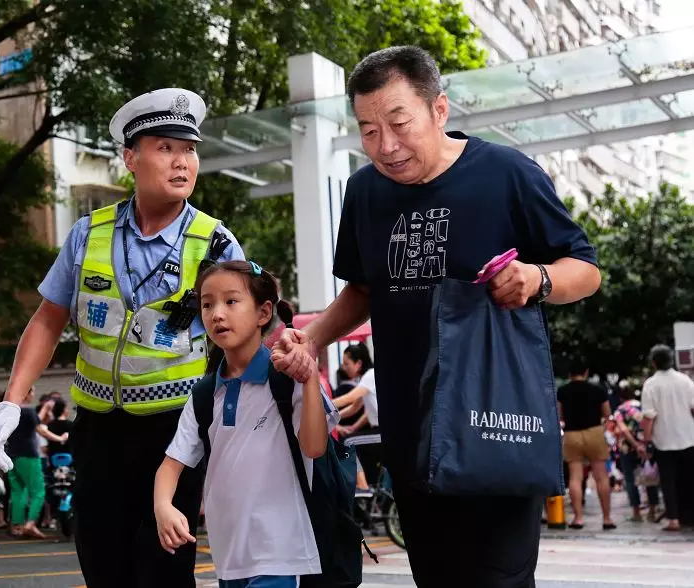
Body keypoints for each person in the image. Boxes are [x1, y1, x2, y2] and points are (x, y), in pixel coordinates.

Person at [272, 46, 600, 587]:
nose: (386, 145)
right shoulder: (365, 192)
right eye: (369, 130)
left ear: (439, 110)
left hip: (496, 421)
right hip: (411, 432)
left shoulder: (507, 174)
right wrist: (311, 338)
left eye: (399, 123)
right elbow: (364, 289)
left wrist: (538, 279)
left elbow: (585, 269)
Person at [0, 88, 244, 587]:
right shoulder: (88, 234)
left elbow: (245, 338)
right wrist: (12, 402)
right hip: (98, 433)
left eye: (189, 149)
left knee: (163, 574)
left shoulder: (215, 243)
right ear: (130, 157)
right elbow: (48, 319)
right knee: (103, 568)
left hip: (176, 435)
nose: (182, 161)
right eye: (165, 147)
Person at [155, 260, 338, 586]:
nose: (217, 314)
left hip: (281, 555)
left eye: (231, 301)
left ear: (263, 313)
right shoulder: (204, 394)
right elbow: (171, 464)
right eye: (207, 304)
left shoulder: (286, 379)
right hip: (229, 559)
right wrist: (162, 506)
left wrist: (309, 377)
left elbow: (314, 446)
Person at [641, 344, 694, 532]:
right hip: (688, 438)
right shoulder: (685, 380)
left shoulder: (651, 384)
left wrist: (646, 441)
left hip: (663, 441)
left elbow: (649, 417)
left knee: (668, 481)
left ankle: (673, 519)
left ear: (654, 362)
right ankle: (689, 516)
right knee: (689, 478)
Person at [557, 359, 615, 530]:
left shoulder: (562, 391)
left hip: (572, 434)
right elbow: (607, 414)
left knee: (575, 477)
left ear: (570, 374)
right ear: (586, 372)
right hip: (594, 432)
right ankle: (607, 519)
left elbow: (559, 415)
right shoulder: (598, 390)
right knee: (601, 477)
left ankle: (578, 518)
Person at [5, 386, 69, 539]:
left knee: (18, 491)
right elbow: (41, 429)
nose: (33, 395)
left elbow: (37, 424)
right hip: (28, 455)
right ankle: (31, 524)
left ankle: (18, 526)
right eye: (32, 392)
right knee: (38, 491)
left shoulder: (10, 411)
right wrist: (60, 438)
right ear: (26, 394)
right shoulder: (28, 410)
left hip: (12, 455)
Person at [333, 343, 381, 490]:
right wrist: (334, 418)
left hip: (382, 432)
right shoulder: (368, 377)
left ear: (358, 363)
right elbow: (356, 407)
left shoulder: (369, 375)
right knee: (352, 438)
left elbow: (350, 398)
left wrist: (324, 404)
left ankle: (363, 486)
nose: (344, 367)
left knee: (347, 442)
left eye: (347, 363)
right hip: (378, 430)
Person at [611, 382, 659, 523]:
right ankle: (652, 511)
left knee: (630, 480)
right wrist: (644, 443)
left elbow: (623, 429)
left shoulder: (620, 410)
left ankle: (636, 512)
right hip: (646, 446)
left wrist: (635, 444)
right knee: (650, 477)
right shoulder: (642, 406)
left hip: (628, 448)